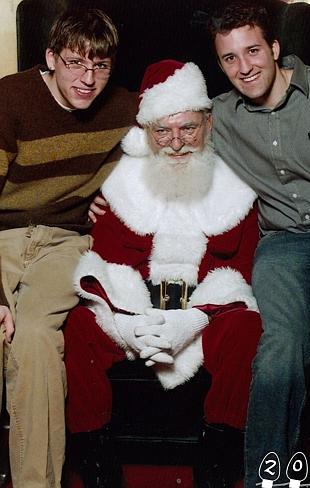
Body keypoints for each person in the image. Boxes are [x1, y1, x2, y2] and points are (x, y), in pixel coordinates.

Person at [63, 59, 262, 488]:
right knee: (79, 325)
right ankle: (94, 455)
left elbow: (240, 271)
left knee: (246, 328)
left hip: (205, 308)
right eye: (163, 132)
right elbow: (107, 260)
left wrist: (192, 318)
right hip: (137, 306)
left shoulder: (236, 183)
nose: (175, 143)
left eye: (187, 128)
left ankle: (218, 454)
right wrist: (132, 322)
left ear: (207, 124)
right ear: (147, 133)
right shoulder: (121, 183)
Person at [209, 1, 310, 486]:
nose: (244, 67)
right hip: (288, 245)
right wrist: (98, 198)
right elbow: (155, 138)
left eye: (253, 51)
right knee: (280, 347)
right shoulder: (220, 116)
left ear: (275, 48)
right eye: (230, 58)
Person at [0, 8, 137, 488]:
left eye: (100, 66)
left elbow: (183, 135)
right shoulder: (8, 99)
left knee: (35, 336)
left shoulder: (124, 108)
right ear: (50, 58)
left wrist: (116, 193)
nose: (88, 79)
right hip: (2, 239)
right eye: (76, 63)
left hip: (64, 241)